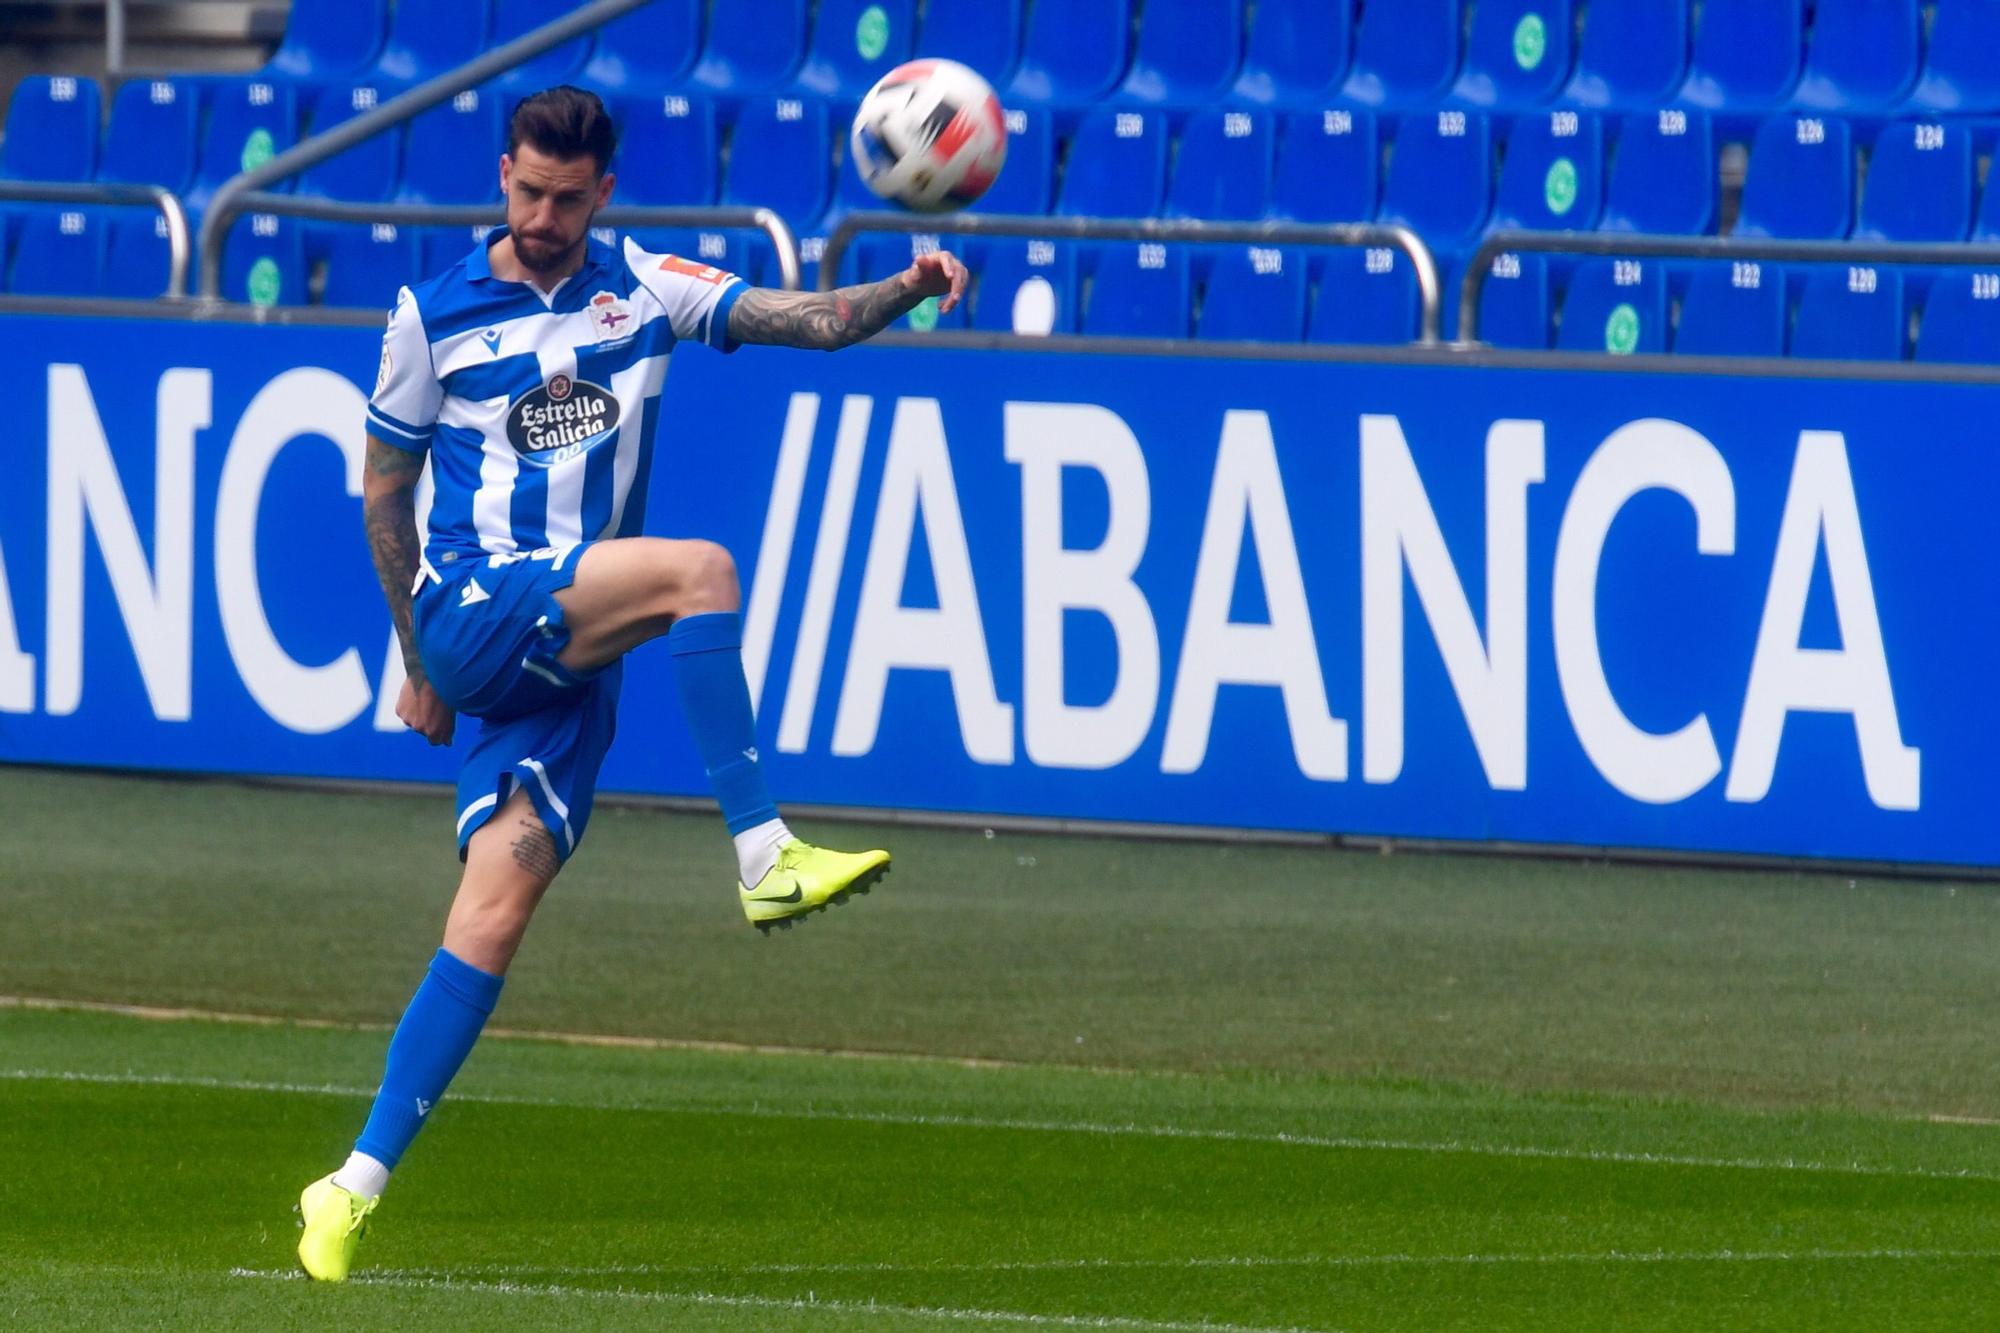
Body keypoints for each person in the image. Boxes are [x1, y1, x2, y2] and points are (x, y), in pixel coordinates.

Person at [295, 85, 967, 1282]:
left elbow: (803, 320)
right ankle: (763, 854)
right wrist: (416, 658)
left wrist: (905, 289)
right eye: (525, 190)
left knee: (491, 916)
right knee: (701, 569)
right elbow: (384, 495)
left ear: (602, 193)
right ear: (500, 174)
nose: (542, 214)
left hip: (565, 657)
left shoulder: (642, 288)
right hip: (479, 602)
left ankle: (349, 1184)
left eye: (566, 197)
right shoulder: (430, 314)